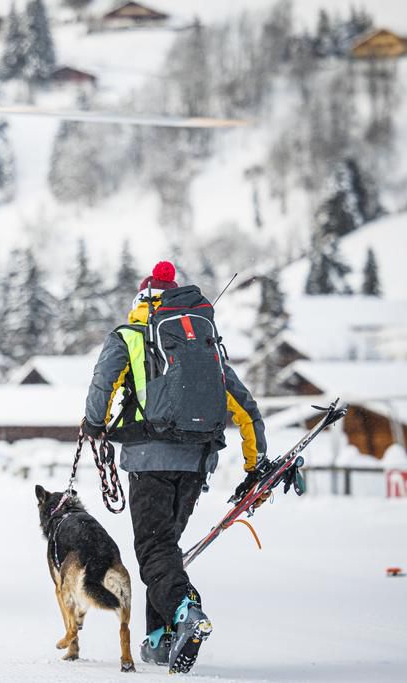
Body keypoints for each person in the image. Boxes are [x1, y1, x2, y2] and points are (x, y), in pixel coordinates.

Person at [82, 260, 267, 674]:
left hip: (149, 459)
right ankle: (159, 637)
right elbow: (244, 406)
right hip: (196, 459)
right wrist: (255, 465)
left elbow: (103, 383)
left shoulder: (130, 335)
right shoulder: (201, 344)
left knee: (153, 548)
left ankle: (185, 611)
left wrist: (94, 424)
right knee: (165, 547)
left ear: (140, 299)